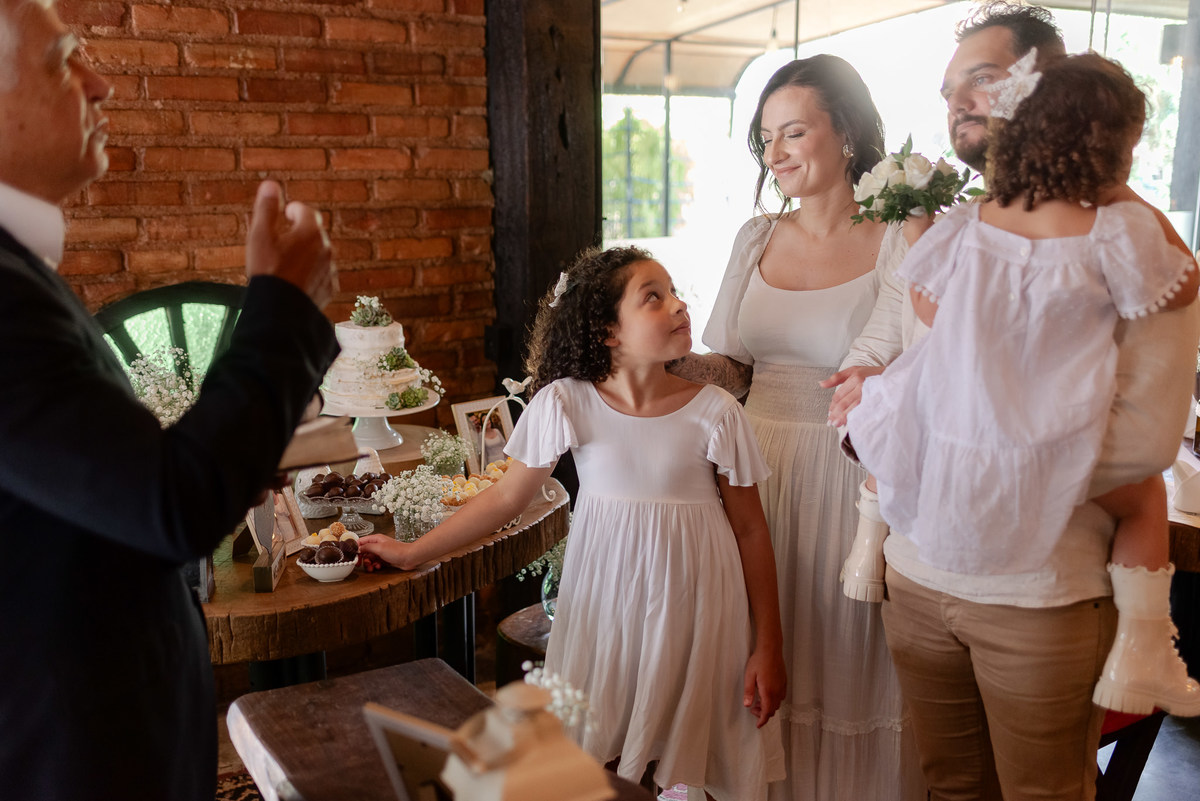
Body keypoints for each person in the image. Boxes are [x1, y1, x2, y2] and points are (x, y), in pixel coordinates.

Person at [828, 3, 1200, 798]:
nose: (959, 100)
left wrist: (983, 458)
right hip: (918, 577)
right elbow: (909, 349)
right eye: (949, 88)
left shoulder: (1131, 239)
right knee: (950, 786)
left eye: (984, 79)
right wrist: (873, 394)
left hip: (1038, 595)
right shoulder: (960, 231)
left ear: (1047, 84)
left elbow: (1144, 441)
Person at [0, 2, 340, 800]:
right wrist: (284, 306)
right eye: (64, 60)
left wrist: (226, 460)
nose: (103, 83)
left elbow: (89, 494)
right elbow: (170, 501)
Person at [361, 246, 786, 800]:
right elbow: (504, 500)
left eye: (675, 292)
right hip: (604, 605)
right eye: (653, 297)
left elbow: (752, 531)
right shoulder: (566, 402)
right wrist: (414, 552)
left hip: (700, 608)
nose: (679, 306)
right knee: (595, 751)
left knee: (686, 760)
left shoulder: (715, 410)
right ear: (608, 330)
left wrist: (769, 646)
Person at [668, 55, 925, 801]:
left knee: (848, 670)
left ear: (843, 133)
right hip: (750, 479)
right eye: (765, 137)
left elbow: (921, 362)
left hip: (854, 476)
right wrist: (654, 368)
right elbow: (735, 367)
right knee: (758, 661)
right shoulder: (756, 237)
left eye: (793, 131)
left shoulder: (901, 234)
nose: (775, 151)